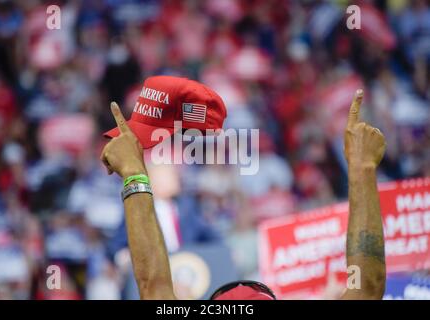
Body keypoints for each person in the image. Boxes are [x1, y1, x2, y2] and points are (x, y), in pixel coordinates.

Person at [100, 89, 386, 300]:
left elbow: (153, 285)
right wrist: (363, 168)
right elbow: (368, 287)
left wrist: (134, 173)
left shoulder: (187, 209)